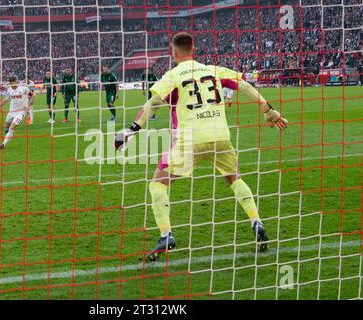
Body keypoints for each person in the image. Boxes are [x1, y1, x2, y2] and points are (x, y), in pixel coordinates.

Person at [115, 33, 288, 262]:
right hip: (220, 136)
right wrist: (269, 111)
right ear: (193, 48)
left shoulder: (173, 75)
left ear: (173, 52)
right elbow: (244, 84)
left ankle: (166, 235)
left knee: (158, 184)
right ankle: (256, 221)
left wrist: (132, 130)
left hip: (190, 140)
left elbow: (153, 103)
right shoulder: (213, 70)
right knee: (234, 178)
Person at [0, 76, 32, 149]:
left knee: (12, 127)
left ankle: (3, 144)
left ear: (16, 83)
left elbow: (33, 96)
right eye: (10, 84)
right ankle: (8, 135)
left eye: (13, 84)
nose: (11, 86)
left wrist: (28, 105)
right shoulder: (9, 90)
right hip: (11, 111)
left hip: (21, 112)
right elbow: (6, 100)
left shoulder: (24, 89)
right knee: (7, 126)